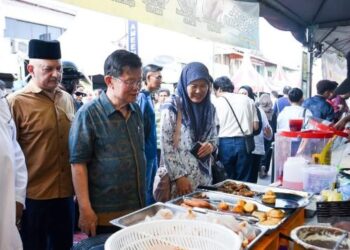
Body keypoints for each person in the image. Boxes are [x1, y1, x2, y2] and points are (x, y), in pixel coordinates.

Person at [69, 49, 146, 236]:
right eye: (130, 82)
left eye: (139, 81)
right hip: (104, 215)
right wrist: (85, 209)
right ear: (109, 81)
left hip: (136, 211)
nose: (137, 87)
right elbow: (78, 164)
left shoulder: (135, 110)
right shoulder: (88, 114)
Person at [7, 39, 75, 250]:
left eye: (58, 68)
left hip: (65, 196)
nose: (55, 74)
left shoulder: (66, 99)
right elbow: (10, 154)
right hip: (33, 198)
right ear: (31, 69)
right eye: (48, 69)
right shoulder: (15, 103)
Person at [160, 62, 217, 197]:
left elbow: (214, 137)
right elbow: (166, 144)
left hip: (204, 179)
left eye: (203, 86)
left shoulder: (210, 108)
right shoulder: (172, 106)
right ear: (185, 84)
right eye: (194, 86)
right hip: (180, 183)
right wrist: (179, 177)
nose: (199, 91)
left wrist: (211, 146)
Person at [212, 77, 259, 182]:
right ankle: (242, 197)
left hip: (224, 143)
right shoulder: (248, 100)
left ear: (218, 89)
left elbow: (214, 126)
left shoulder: (216, 102)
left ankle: (228, 198)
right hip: (245, 143)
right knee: (244, 179)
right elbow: (256, 126)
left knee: (226, 179)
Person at [0, 88, 27, 250]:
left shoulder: (2, 102)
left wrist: (18, 197)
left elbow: (15, 151)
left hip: (6, 201)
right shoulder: (16, 100)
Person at [137, 64, 163, 205]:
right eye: (158, 77)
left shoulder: (149, 97)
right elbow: (138, 126)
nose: (160, 80)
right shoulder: (142, 97)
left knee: (151, 188)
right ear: (148, 77)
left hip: (151, 151)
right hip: (146, 153)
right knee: (146, 189)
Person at [238, 86, 271, 183]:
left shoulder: (258, 110)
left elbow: (268, 132)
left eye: (244, 94)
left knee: (251, 180)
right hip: (239, 149)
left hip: (254, 149)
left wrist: (268, 133)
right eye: (240, 94)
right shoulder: (234, 109)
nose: (242, 96)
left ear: (250, 95)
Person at [258, 93, 275, 178]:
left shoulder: (258, 110)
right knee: (267, 153)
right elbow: (274, 125)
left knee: (260, 153)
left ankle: (260, 167)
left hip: (260, 135)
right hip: (269, 135)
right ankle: (265, 169)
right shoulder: (272, 112)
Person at [155, 88, 170, 166]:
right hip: (156, 144)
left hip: (167, 143)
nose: (163, 97)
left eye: (165, 95)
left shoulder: (171, 109)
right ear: (158, 97)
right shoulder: (154, 108)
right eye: (161, 95)